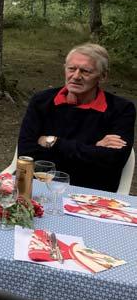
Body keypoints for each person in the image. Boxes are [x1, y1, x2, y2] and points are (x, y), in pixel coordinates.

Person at [18, 43, 135, 192]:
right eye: (71, 69)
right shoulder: (41, 101)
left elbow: (114, 160)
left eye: (85, 71)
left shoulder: (121, 109)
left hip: (91, 194)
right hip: (37, 187)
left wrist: (52, 141)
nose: (76, 76)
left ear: (103, 76)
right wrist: (93, 148)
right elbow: (26, 154)